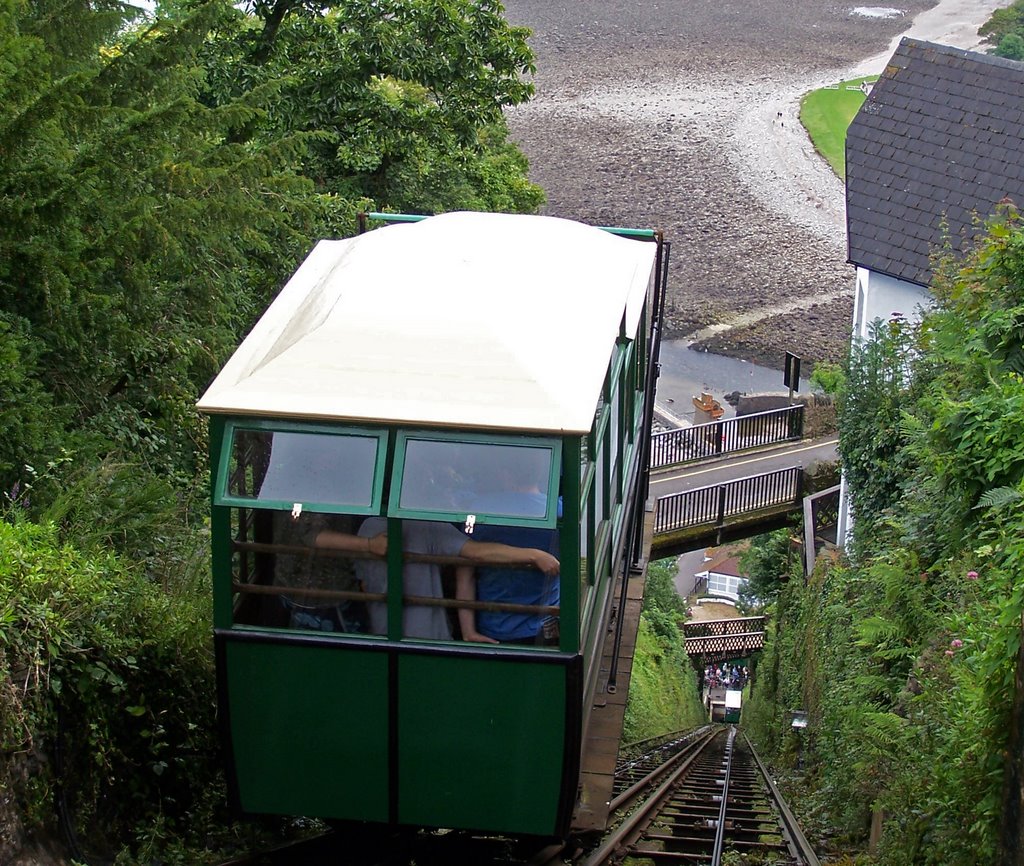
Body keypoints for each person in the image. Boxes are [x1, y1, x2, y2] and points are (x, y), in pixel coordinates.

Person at [315, 517, 558, 641]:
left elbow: (364, 583)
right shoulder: (428, 526)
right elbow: (479, 552)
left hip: (381, 633)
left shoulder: (367, 526)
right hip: (430, 639)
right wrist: (533, 554)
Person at [455, 475, 561, 646]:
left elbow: (465, 573)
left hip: (492, 628)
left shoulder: (475, 510)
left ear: (503, 474)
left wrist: (468, 631)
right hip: (544, 627)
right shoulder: (558, 510)